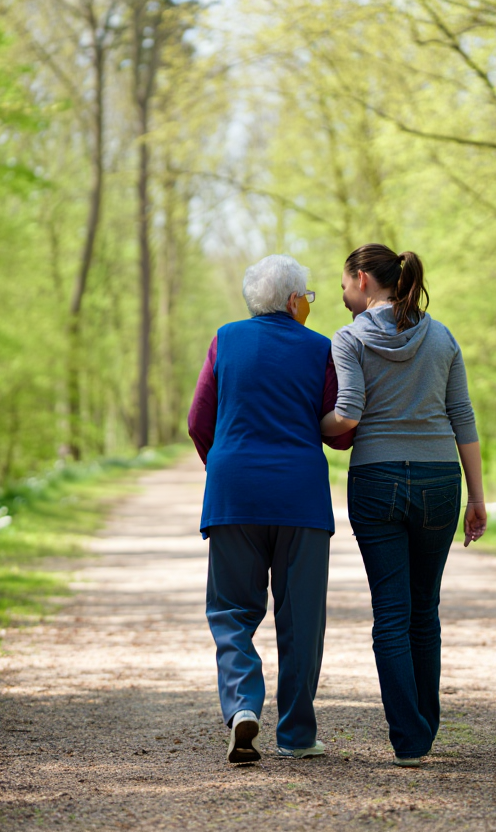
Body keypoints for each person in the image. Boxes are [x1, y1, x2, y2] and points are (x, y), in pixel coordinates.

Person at [319, 243, 487, 768]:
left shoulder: (347, 338)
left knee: (391, 611)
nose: (342, 293)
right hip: (440, 479)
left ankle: (409, 739)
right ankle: (424, 726)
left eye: (345, 283)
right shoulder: (441, 336)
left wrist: (301, 427)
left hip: (376, 480)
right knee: (424, 607)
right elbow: (462, 415)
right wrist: (477, 497)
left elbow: (346, 415)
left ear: (364, 281)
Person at [188, 254, 354, 765]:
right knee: (301, 619)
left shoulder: (225, 340)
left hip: (234, 493)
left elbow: (199, 421)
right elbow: (343, 431)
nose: (308, 303)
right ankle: (297, 735)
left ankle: (241, 708)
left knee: (232, 611)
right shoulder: (321, 348)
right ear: (291, 300)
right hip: (300, 499)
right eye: (306, 295)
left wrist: (224, 465)